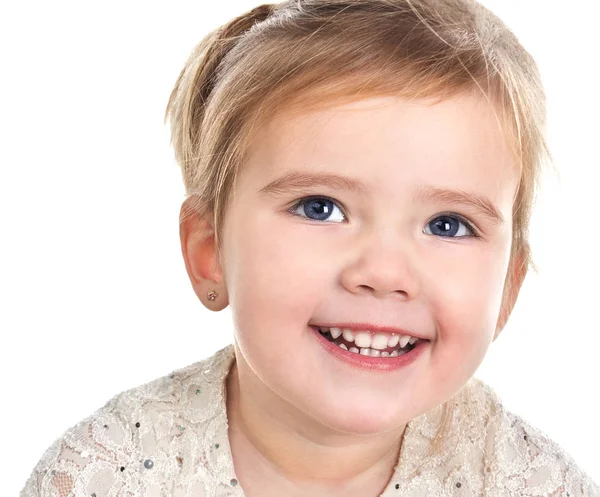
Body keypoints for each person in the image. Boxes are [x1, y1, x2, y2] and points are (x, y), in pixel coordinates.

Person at [20, 0, 600, 496]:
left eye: (448, 224)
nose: (383, 273)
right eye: (320, 208)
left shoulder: (528, 482)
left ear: (508, 288)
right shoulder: (106, 473)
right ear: (209, 250)